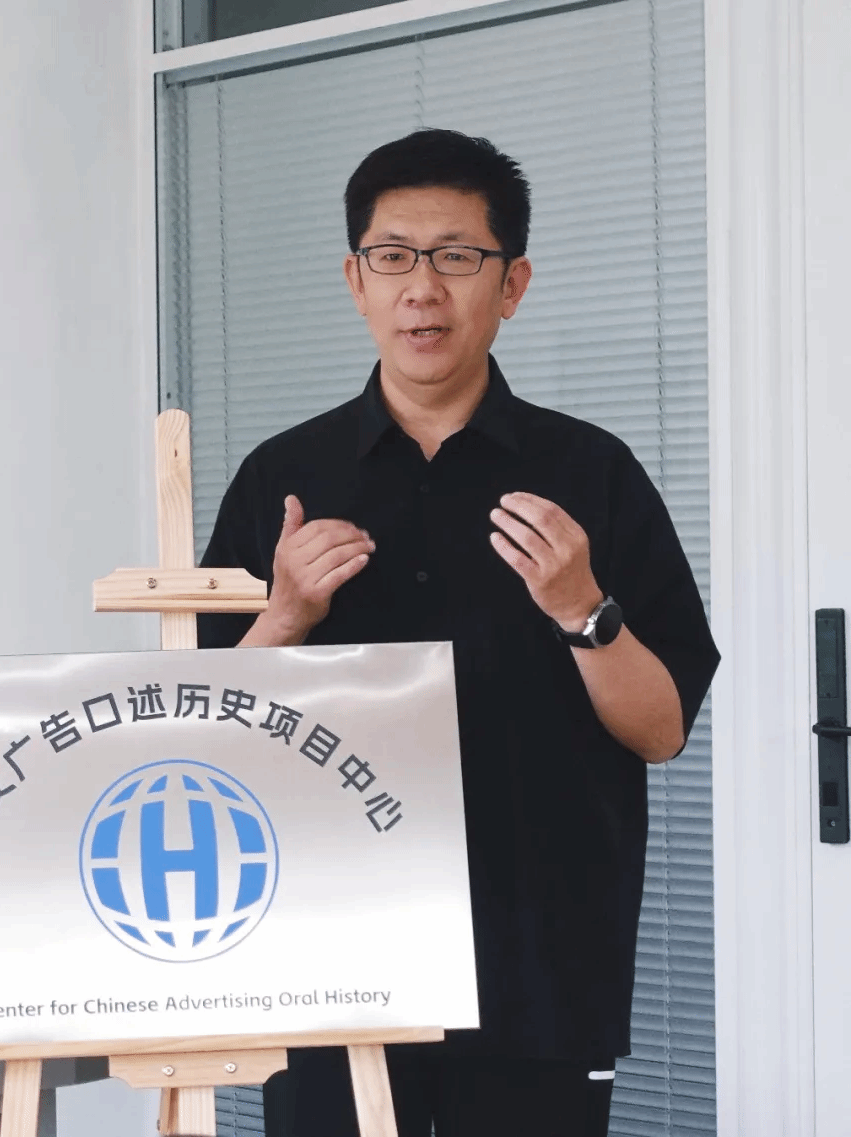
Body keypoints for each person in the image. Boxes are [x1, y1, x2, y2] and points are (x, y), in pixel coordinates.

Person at [197, 128, 720, 1137]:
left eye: (457, 256)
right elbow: (204, 734)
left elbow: (661, 729)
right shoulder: (282, 478)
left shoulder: (593, 474)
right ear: (355, 281)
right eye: (393, 256)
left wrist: (582, 607)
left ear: (512, 284)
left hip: (541, 956)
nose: (422, 289)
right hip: (324, 950)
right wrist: (285, 615)